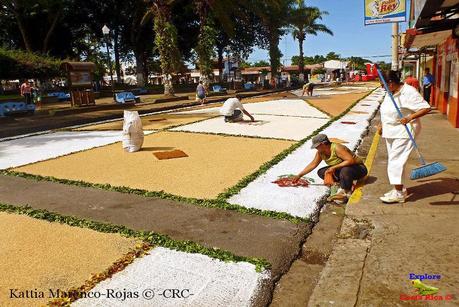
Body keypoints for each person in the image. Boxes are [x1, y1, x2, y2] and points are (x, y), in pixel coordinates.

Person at [378, 70, 430, 203]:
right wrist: (382, 125)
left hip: (404, 130)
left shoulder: (409, 92)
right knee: (396, 160)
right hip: (390, 130)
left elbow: (426, 108)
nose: (381, 87)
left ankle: (399, 193)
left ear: (390, 83)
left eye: (382, 84)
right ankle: (399, 188)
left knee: (395, 161)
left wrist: (409, 117)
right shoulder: (390, 92)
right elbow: (387, 111)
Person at [292, 134, 368, 204]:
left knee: (345, 171)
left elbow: (350, 160)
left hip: (358, 169)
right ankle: (342, 183)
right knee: (321, 172)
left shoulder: (337, 148)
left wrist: (332, 168)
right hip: (342, 170)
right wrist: (299, 175)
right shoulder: (320, 153)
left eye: (316, 146)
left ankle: (346, 193)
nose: (316, 148)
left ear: (322, 144)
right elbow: (313, 164)